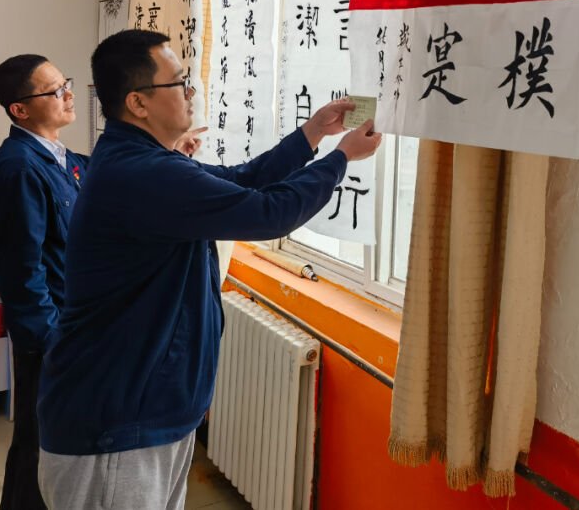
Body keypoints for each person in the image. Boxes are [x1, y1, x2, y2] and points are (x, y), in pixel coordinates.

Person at [37, 29, 381, 510]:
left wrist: (313, 134)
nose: (190, 93)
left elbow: (243, 179)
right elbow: (268, 214)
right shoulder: (142, 174)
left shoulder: (147, 161)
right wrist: (341, 158)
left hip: (146, 410)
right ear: (138, 102)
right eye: (179, 83)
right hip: (116, 422)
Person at [0, 55, 88, 510]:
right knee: (39, 445)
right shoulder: (18, 168)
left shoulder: (64, 159)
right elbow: (21, 271)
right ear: (19, 110)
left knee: (56, 442)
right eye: (54, 90)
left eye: (66, 83)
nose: (68, 94)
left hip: (73, 326)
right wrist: (49, 341)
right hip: (50, 335)